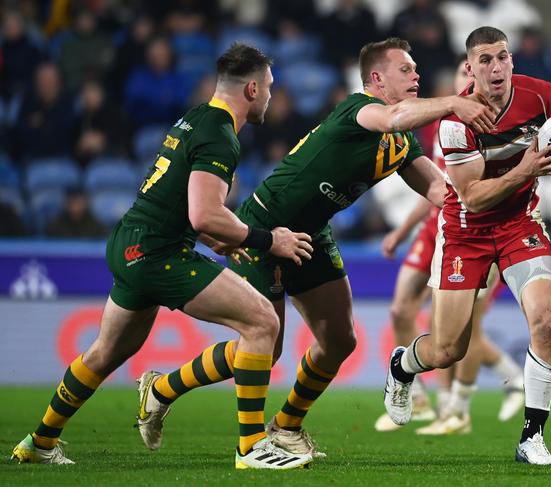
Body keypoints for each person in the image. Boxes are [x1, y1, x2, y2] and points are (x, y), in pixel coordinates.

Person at [135, 37, 496, 458]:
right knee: (265, 349)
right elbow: (395, 116)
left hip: (310, 234)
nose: (416, 75)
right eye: (406, 69)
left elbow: (438, 187)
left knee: (341, 339)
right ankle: (161, 390)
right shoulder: (358, 109)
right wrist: (455, 102)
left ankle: (286, 427)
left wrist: (492, 201)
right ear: (376, 79)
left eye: (415, 69)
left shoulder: (401, 140)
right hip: (266, 224)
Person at [11, 43, 314, 470]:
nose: (269, 95)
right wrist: (268, 240)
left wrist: (216, 235)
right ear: (251, 89)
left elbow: (186, 207)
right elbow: (204, 212)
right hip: (157, 253)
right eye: (267, 87)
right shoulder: (221, 136)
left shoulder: (194, 118)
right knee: (263, 322)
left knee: (105, 352)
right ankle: (251, 448)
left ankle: (39, 441)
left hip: (131, 241)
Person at [383, 26, 551, 465]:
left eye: (501, 56)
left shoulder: (545, 98)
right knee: (448, 350)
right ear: (470, 67)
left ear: (512, 61)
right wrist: (527, 168)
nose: (495, 66)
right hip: (466, 232)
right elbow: (472, 196)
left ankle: (531, 438)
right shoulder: (454, 123)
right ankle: (402, 366)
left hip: (521, 223)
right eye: (484, 59)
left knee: (547, 320)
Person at [374, 56, 524, 434]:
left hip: (485, 228)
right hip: (440, 227)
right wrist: (402, 231)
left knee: (461, 328)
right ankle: (426, 397)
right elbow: (435, 187)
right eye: (464, 73)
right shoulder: (448, 123)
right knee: (402, 312)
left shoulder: (506, 123)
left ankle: (456, 409)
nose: (470, 80)